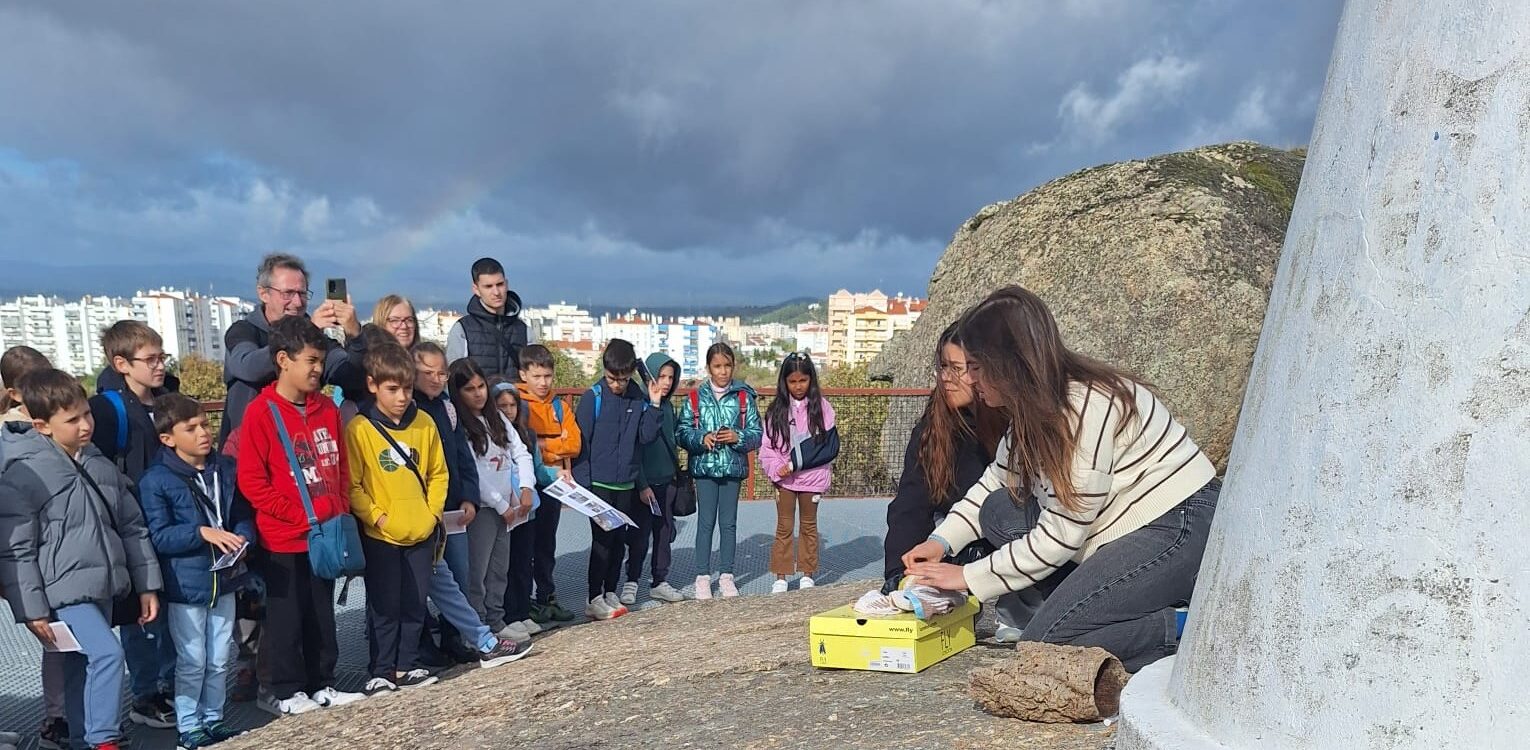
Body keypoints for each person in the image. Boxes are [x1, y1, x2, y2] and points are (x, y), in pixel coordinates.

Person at [902, 286, 1221, 672]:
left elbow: (1060, 537)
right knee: (999, 511)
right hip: (1116, 527)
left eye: (976, 366)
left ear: (1009, 364)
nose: (969, 379)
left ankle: (1188, 626)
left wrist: (967, 577)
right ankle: (1093, 604)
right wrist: (940, 542)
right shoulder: (1032, 408)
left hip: (1176, 524)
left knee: (1046, 644)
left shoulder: (1084, 408)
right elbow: (994, 483)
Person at [0, 369, 163, 750]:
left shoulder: (99, 463)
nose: (85, 425)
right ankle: (104, 738)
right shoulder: (22, 474)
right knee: (107, 653)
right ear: (41, 425)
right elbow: (17, 549)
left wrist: (147, 586)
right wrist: (32, 609)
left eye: (86, 414)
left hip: (103, 583)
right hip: (59, 591)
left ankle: (80, 739)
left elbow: (131, 527)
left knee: (78, 666)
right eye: (72, 420)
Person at [234, 317, 365, 715]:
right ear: (283, 360)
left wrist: (338, 507)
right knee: (286, 618)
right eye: (310, 360)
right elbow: (252, 481)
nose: (317, 370)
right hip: (284, 537)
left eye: (320, 361)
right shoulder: (261, 412)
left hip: (325, 532)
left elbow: (340, 464)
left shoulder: (326, 407)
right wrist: (295, 514)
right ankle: (286, 690)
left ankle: (322, 682)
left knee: (321, 615)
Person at [137, 394, 255, 749]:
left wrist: (245, 535)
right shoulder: (155, 480)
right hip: (186, 586)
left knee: (219, 657)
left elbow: (241, 514)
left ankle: (213, 719)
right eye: (191, 428)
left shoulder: (225, 468)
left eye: (205, 424)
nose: (204, 433)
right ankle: (189, 726)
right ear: (167, 439)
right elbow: (158, 536)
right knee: (192, 659)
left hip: (226, 577)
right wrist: (201, 532)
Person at [880, 322, 1013, 626]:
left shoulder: (1013, 422)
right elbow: (911, 505)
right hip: (955, 539)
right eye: (942, 367)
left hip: (1010, 537)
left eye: (957, 368)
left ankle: (1018, 605)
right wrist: (898, 573)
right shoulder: (932, 429)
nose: (946, 378)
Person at [87, 320, 179, 729]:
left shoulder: (167, 399)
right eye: (151, 359)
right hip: (134, 520)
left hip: (170, 518)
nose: (159, 366)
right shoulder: (109, 410)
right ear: (121, 363)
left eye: (163, 357)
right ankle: (146, 695)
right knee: (141, 614)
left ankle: (171, 686)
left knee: (169, 610)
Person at [346, 342, 447, 694]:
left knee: (415, 602)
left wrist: (431, 514)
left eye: (406, 388)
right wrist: (379, 518)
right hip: (382, 535)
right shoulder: (360, 429)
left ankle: (408, 664)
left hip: (420, 530)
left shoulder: (425, 423)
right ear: (373, 385)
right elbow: (354, 484)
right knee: (384, 605)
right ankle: (382, 668)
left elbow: (438, 473)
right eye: (392, 389)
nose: (402, 397)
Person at [219, 252, 366, 451]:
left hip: (301, 451)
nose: (297, 303)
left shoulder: (317, 336)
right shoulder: (243, 331)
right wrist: (305, 333)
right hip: (248, 450)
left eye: (302, 294)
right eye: (287, 293)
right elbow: (249, 367)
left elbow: (351, 377)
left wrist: (355, 336)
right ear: (264, 294)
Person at [0, 347, 69, 748]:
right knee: (55, 638)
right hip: (34, 548)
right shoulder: (15, 437)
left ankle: (60, 715)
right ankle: (58, 717)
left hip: (48, 546)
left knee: (59, 638)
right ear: (14, 393)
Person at [572, 339, 662, 620]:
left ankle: (610, 591)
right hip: (598, 484)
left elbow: (646, 437)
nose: (617, 385)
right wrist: (583, 487)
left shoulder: (638, 396)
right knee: (601, 541)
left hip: (626, 483)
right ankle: (593, 597)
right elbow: (580, 444)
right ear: (605, 370)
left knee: (618, 539)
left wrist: (655, 403)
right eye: (613, 379)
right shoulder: (593, 398)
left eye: (623, 379)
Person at [450, 361, 537, 642]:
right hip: (486, 508)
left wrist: (526, 487)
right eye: (469, 389)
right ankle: (478, 626)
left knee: (500, 568)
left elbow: (521, 453)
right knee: (479, 570)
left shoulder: (497, 419)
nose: (478, 394)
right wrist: (501, 505)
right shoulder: (461, 425)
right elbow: (472, 471)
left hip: (509, 507)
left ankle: (496, 620)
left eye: (481, 387)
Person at [411, 342, 484, 661]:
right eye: (428, 372)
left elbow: (462, 455)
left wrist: (470, 496)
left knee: (460, 573)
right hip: (422, 508)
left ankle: (457, 638)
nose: (437, 379)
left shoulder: (447, 407)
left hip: (454, 506)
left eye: (442, 373)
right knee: (427, 580)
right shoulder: (408, 408)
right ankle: (420, 645)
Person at [676, 343, 762, 600]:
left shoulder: (744, 397)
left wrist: (737, 436)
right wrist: (702, 438)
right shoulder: (695, 397)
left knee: (729, 524)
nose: (723, 371)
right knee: (705, 524)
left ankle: (727, 575)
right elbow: (682, 432)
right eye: (717, 366)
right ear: (708, 367)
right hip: (704, 469)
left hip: (732, 468)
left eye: (727, 366)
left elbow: (756, 434)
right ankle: (702, 576)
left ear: (733, 366)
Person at [758, 352, 838, 594]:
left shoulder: (822, 408)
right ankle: (781, 575)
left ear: (811, 380)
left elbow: (826, 445)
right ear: (784, 382)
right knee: (784, 527)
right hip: (785, 481)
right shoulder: (775, 411)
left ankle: (807, 573)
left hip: (812, 481)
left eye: (803, 381)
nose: (798, 386)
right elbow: (767, 447)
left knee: (808, 526)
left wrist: (795, 464)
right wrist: (776, 469)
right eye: (792, 381)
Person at [515, 345, 581, 624]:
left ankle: (547, 595)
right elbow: (522, 443)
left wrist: (544, 445)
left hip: (553, 485)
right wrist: (554, 445)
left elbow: (574, 444)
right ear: (523, 375)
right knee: (523, 546)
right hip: (526, 486)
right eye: (537, 376)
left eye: (548, 376)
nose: (543, 383)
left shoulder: (559, 405)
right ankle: (522, 602)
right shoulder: (516, 403)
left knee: (546, 543)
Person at [489, 378, 561, 637]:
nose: (508, 410)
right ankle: (508, 613)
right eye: (502, 405)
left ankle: (522, 610)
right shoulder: (490, 434)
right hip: (504, 508)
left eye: (512, 405)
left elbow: (539, 469)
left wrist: (559, 476)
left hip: (527, 508)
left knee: (523, 561)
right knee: (503, 564)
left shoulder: (527, 434)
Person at [620, 352, 686, 605]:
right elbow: (636, 449)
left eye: (671, 377)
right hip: (644, 485)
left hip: (666, 481)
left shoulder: (669, 407)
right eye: (662, 376)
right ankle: (632, 580)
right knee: (639, 535)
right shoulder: (641, 405)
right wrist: (642, 484)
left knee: (664, 533)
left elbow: (675, 437)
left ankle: (660, 580)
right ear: (650, 376)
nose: (667, 382)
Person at [446, 257, 532, 381]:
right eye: (488, 286)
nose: (496, 292)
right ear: (476, 289)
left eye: (500, 284)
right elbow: (454, 378)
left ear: (506, 284)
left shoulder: (524, 330)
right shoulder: (462, 330)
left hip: (517, 400)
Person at [2, 346, 51, 423]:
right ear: (16, 394)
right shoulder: (11, 430)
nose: (50, 390)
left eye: (51, 381)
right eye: (37, 387)